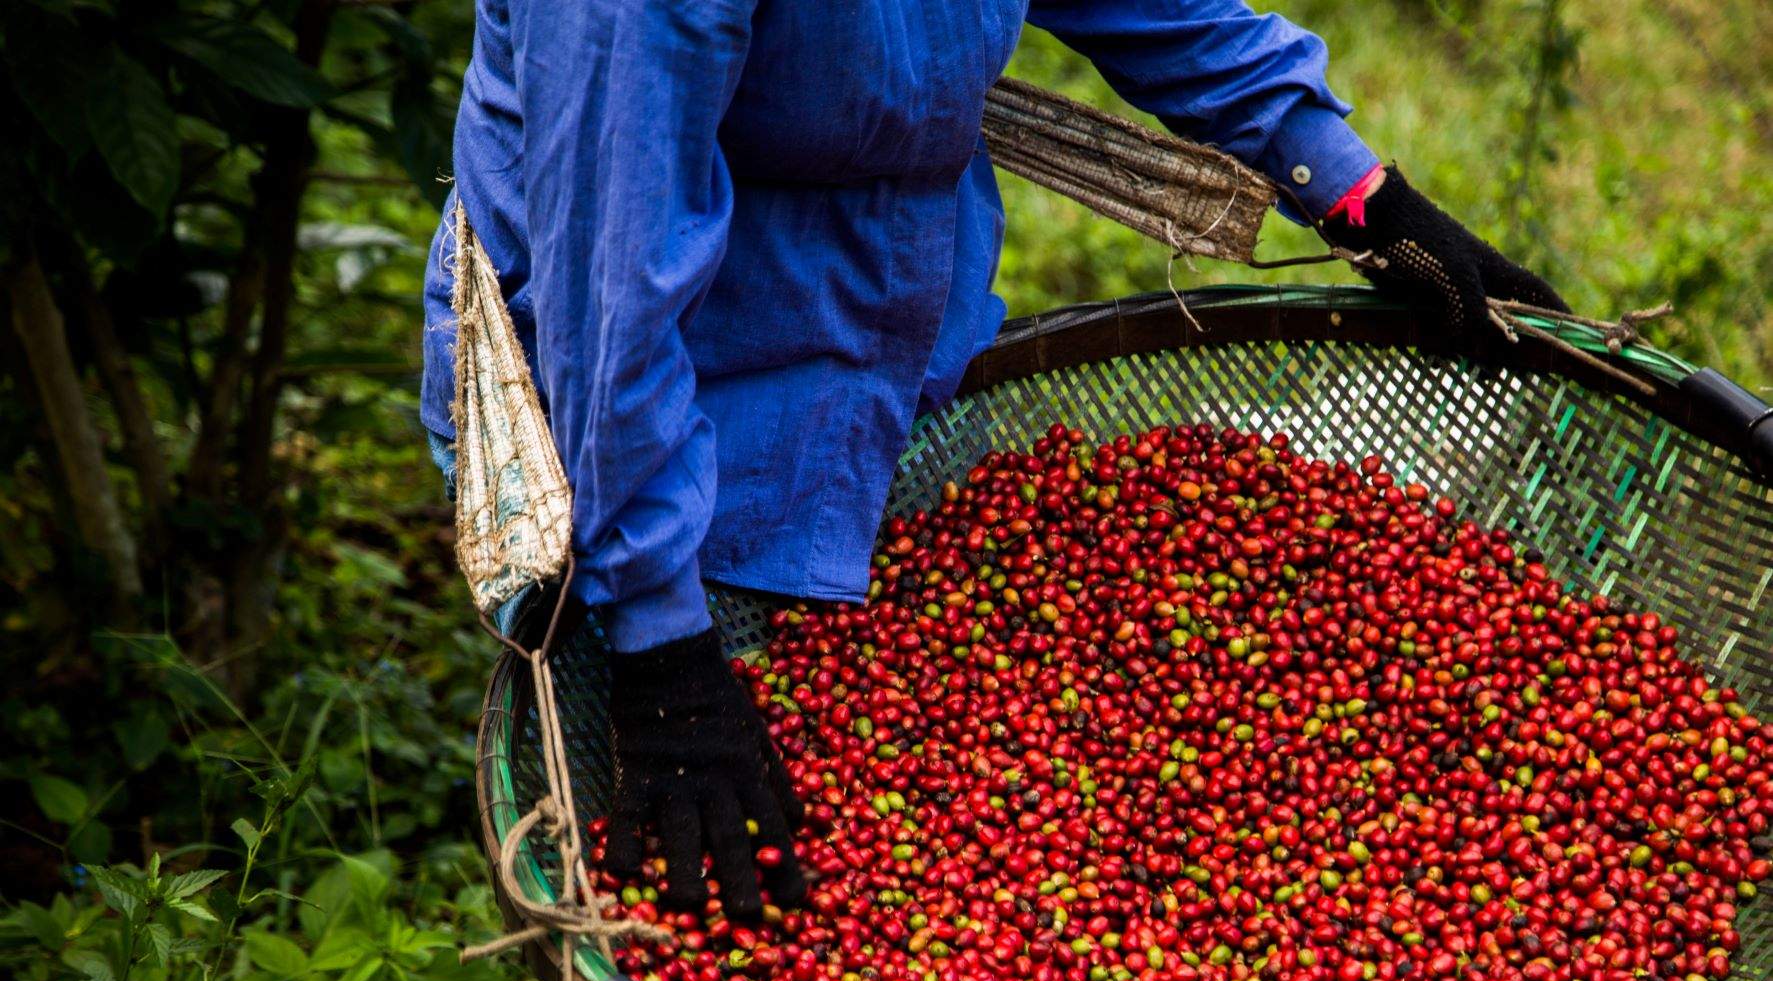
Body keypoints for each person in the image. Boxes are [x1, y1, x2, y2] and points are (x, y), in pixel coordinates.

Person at [423, 2, 1564, 928]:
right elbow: (611, 306)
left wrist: (1359, 192)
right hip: (637, 394)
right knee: (740, 868)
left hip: (876, 319)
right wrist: (665, 660)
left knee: (886, 787)